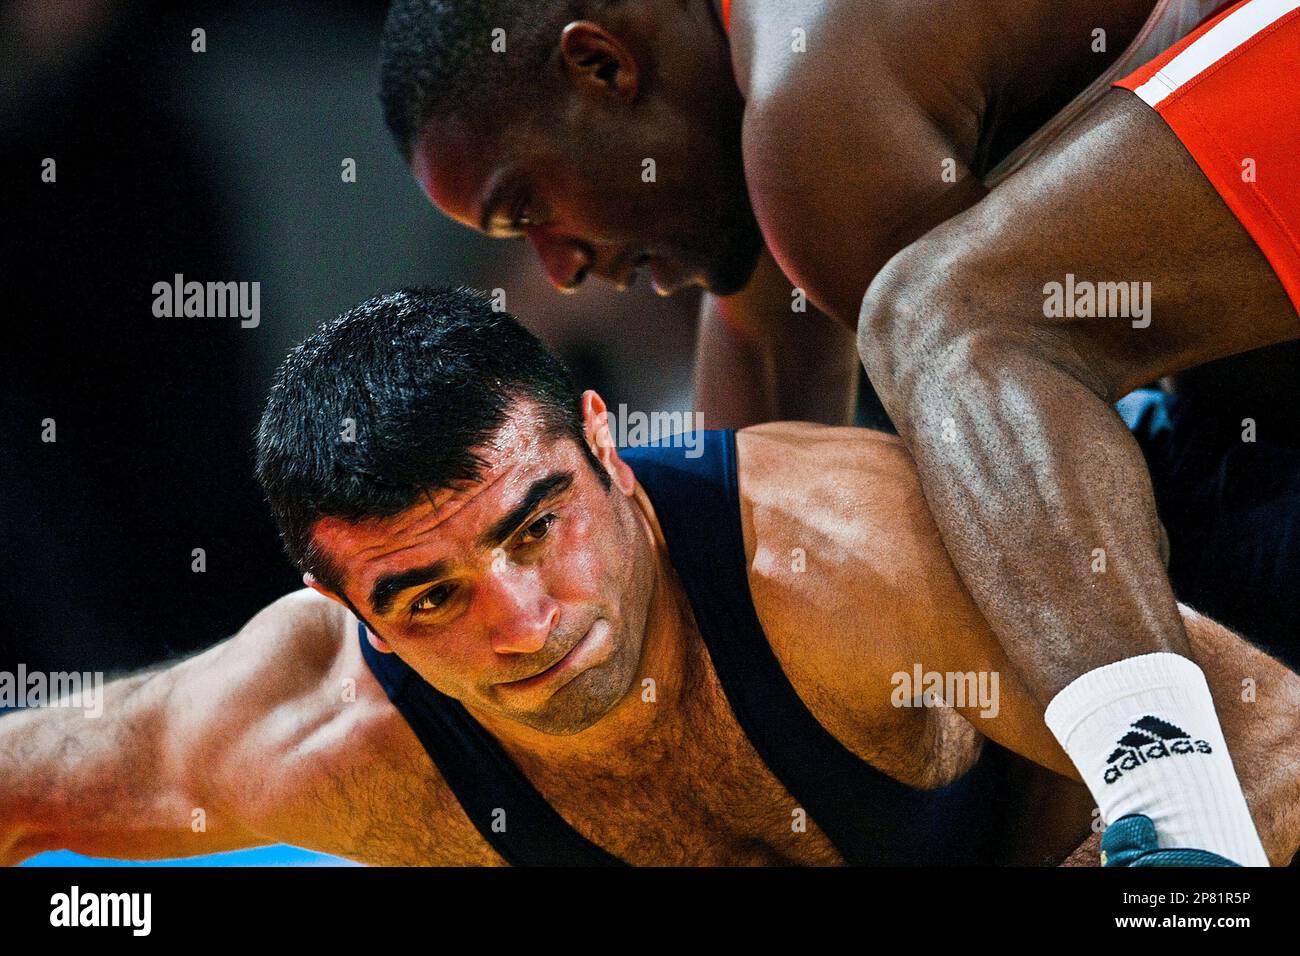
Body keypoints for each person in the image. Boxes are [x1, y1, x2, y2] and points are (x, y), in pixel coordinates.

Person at [379, 0, 1300, 864]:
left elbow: (983, 558)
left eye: (528, 208)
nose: (560, 269)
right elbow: (728, 572)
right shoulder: (789, 107)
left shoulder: (806, 115)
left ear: (601, 65)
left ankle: (1191, 846)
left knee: (956, 326)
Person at [3, 287, 1298, 866]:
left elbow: (1265, 745)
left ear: (612, 452)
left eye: (532, 526)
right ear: (355, 620)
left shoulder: (840, 553)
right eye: (428, 595)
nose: (521, 621)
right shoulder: (313, 735)